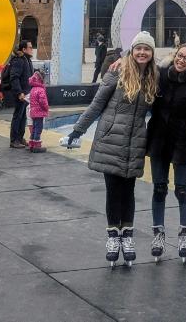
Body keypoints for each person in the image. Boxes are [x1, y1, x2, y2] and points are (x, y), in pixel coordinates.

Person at [61, 31, 159, 268]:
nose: (142, 52)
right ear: (131, 50)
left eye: (147, 49)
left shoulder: (154, 76)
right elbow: (96, 105)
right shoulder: (117, 71)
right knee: (113, 190)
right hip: (110, 139)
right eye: (139, 48)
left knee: (129, 190)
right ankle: (113, 236)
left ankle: (127, 236)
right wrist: (77, 130)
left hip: (134, 141)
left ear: (152, 53)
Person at [147, 42, 186, 263]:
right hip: (158, 141)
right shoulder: (160, 75)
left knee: (182, 189)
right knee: (159, 188)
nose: (182, 60)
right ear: (174, 56)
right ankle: (158, 235)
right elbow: (138, 61)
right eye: (180, 56)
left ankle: (184, 233)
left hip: (181, 142)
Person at [8, 41, 35, 148]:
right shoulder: (19, 60)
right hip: (21, 93)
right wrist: (19, 92)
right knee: (18, 116)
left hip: (26, 93)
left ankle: (19, 137)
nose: (32, 49)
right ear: (24, 49)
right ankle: (14, 140)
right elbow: (14, 77)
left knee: (23, 116)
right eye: (30, 47)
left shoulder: (27, 60)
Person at [28, 69, 49, 152]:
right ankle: (37, 146)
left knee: (34, 128)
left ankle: (31, 144)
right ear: (41, 80)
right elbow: (43, 101)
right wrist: (46, 108)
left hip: (33, 112)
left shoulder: (32, 89)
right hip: (39, 113)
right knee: (38, 129)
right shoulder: (41, 89)